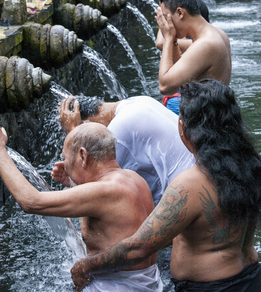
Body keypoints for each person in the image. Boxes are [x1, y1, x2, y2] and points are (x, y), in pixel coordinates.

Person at [70, 79, 261, 292]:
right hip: (250, 278)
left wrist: (86, 267)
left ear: (182, 128)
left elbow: (138, 248)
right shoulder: (250, 167)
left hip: (210, 288)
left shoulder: (190, 183)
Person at [0, 123, 163, 291]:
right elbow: (108, 215)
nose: (64, 163)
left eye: (66, 157)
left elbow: (30, 201)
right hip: (149, 283)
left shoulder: (104, 191)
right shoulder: (135, 179)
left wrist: (1, 151)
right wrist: (75, 181)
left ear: (82, 156)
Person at [58, 94, 195, 205]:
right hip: (198, 175)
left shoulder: (118, 130)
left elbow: (96, 194)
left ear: (86, 124)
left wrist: (75, 132)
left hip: (185, 198)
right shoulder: (138, 100)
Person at [155, 0, 231, 98]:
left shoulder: (205, 44)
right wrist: (174, 41)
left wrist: (168, 38)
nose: (166, 24)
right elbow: (180, 75)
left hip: (205, 114)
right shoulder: (218, 33)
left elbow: (165, 86)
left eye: (166, 17)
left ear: (180, 13)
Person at [156, 0, 210, 114]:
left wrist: (165, 28)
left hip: (181, 100)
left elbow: (160, 43)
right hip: (188, 98)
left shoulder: (199, 44)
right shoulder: (208, 37)